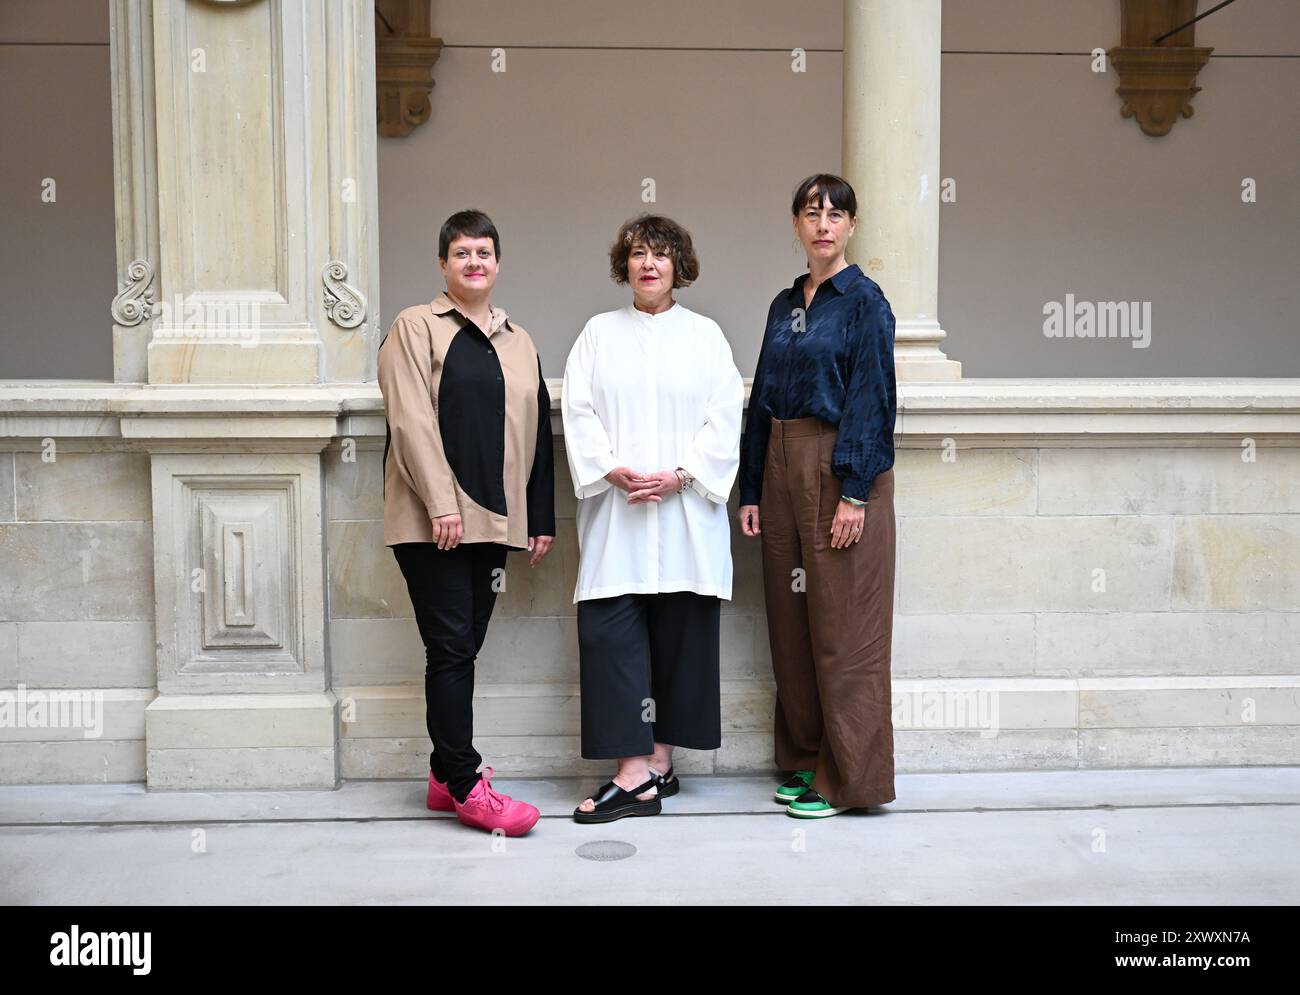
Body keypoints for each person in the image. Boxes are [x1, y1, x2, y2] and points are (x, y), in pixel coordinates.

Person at [377, 208, 555, 836]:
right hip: (435, 523)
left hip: (496, 521)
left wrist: (540, 514)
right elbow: (410, 420)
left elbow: (538, 433)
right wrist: (440, 503)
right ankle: (464, 780)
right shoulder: (414, 326)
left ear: (498, 264)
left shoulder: (520, 339)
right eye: (461, 253)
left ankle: (439, 773)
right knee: (451, 649)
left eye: (484, 253)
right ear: (443, 264)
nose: (473, 263)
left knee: (463, 647)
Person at [562, 214, 743, 823]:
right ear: (625, 264)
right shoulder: (597, 333)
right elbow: (578, 410)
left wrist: (684, 475)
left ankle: (659, 764)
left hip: (687, 513)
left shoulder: (706, 336)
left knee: (681, 640)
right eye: (638, 254)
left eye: (661, 255)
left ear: (678, 266)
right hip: (620, 514)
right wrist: (610, 469)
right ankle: (631, 773)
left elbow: (726, 417)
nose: (648, 264)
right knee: (612, 636)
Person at [738, 174, 898, 819]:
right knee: (792, 625)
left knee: (843, 629)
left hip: (837, 469)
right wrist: (751, 487)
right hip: (780, 468)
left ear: (852, 226)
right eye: (812, 213)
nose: (823, 224)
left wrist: (854, 493)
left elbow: (873, 398)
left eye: (836, 214)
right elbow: (762, 399)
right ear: (797, 224)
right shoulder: (785, 303)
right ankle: (806, 760)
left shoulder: (865, 303)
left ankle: (848, 780)